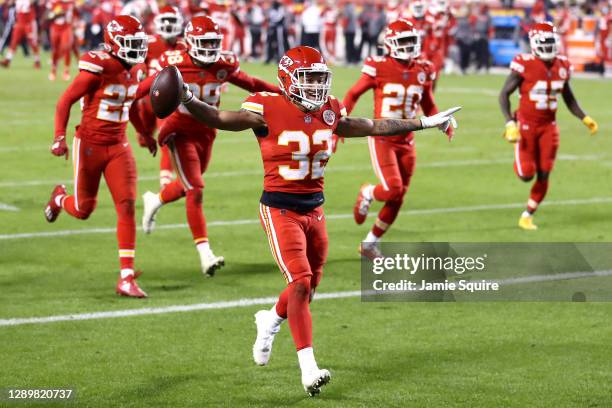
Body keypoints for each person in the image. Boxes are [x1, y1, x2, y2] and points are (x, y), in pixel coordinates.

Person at [170, 45, 459, 395]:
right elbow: (219, 119)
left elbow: (370, 125)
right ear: (288, 79)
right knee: (302, 281)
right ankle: (308, 368)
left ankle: (270, 319)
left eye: (320, 79)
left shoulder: (330, 110)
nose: (315, 87)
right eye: (307, 79)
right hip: (280, 208)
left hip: (315, 209)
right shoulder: (267, 107)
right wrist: (186, 97)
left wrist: (424, 122)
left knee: (308, 287)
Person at [138, 15, 280, 277]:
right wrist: (143, 128)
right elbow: (142, 91)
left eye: (214, 42)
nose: (210, 48)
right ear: (189, 42)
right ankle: (206, 254)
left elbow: (252, 84)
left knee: (189, 185)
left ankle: (154, 200)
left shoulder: (222, 64)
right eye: (204, 42)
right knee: (196, 190)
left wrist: (282, 95)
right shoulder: (174, 63)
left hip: (207, 132)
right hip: (179, 131)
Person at [44, 15, 155, 298]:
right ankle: (59, 198)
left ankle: (126, 277)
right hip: (90, 144)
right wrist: (59, 136)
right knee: (83, 209)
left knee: (127, 206)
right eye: (131, 43)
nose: (137, 49)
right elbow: (65, 100)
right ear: (114, 42)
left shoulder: (136, 68)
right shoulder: (99, 66)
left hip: (119, 145)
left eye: (139, 43)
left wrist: (143, 133)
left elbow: (128, 104)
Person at [342, 19, 453, 259]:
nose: (408, 45)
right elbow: (353, 93)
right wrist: (338, 123)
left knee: (399, 195)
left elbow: (428, 103)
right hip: (382, 137)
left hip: (407, 139)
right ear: (390, 43)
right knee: (393, 190)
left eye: (411, 41)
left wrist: (441, 121)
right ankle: (369, 192)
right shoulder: (378, 66)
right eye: (403, 41)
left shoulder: (423, 69)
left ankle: (370, 243)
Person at [499, 22, 598, 230]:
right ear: (534, 44)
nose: (548, 45)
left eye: (551, 41)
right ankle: (519, 150)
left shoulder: (562, 65)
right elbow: (503, 94)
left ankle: (527, 214)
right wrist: (510, 122)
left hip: (549, 127)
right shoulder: (524, 63)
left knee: (544, 173)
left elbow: (568, 98)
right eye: (544, 42)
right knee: (527, 175)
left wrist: (585, 118)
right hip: (525, 125)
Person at [138, 5, 186, 187]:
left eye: (172, 21)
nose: (168, 25)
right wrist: (140, 71)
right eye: (165, 20)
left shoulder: (185, 46)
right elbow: (136, 64)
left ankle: (165, 181)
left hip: (167, 100)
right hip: (145, 99)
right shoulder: (148, 42)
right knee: (144, 140)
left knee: (167, 137)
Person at [1, 0, 40, 68]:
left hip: (29, 23)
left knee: (32, 42)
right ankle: (8, 60)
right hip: (19, 22)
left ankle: (37, 61)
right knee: (14, 42)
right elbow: (10, 4)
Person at [47, 0, 77, 80]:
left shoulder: (71, 3)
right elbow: (48, 16)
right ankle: (53, 71)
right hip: (56, 28)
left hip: (66, 28)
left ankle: (66, 72)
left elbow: (76, 13)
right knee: (55, 50)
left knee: (67, 48)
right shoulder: (54, 2)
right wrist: (55, 13)